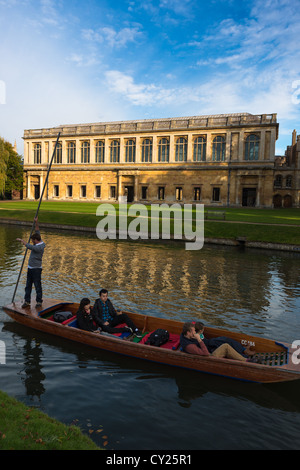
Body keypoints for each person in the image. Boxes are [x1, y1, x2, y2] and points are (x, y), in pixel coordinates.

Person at [180, 322, 255, 362]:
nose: (195, 332)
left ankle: (244, 356)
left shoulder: (187, 336)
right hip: (209, 358)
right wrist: (199, 340)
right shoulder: (189, 346)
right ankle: (246, 360)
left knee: (224, 341)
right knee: (225, 346)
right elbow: (205, 354)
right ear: (188, 333)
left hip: (208, 350)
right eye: (193, 331)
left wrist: (195, 337)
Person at [17, 217, 45, 309]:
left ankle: (39, 301)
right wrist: (36, 222)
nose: (32, 242)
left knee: (37, 286)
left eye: (33, 241)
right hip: (30, 268)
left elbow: (29, 246)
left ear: (36, 241)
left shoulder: (39, 247)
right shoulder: (38, 240)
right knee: (28, 286)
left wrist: (23, 241)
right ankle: (27, 301)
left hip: (36, 269)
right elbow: (37, 230)